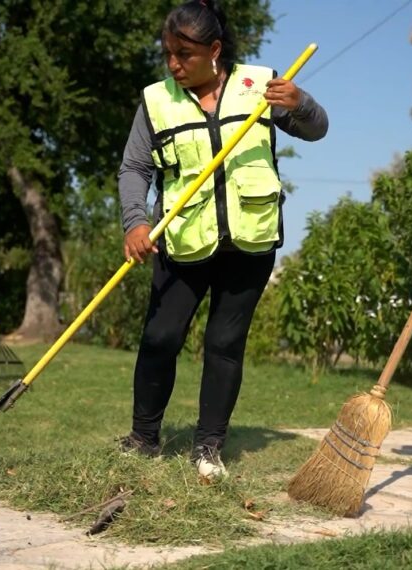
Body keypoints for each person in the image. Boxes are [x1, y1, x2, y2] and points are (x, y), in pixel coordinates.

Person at [116, 0, 328, 481]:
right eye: (168, 53)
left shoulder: (262, 85)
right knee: (160, 338)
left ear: (214, 50)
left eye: (184, 54)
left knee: (225, 343)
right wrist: (135, 222)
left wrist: (302, 104)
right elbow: (135, 167)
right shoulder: (156, 100)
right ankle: (143, 438)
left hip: (250, 242)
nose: (173, 64)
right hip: (183, 238)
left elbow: (317, 130)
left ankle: (208, 447)